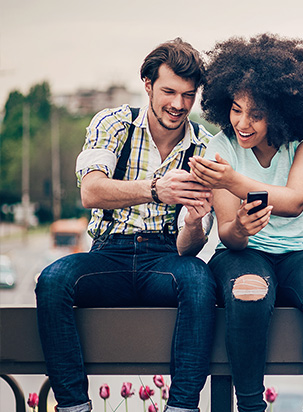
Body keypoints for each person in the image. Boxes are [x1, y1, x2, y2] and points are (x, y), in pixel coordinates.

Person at [35, 38, 216, 412]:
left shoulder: (204, 146)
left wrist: (197, 224)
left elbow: (187, 247)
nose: (178, 105)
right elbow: (91, 190)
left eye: (188, 95)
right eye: (169, 91)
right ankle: (73, 406)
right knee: (52, 281)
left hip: (163, 259)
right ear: (147, 85)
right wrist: (155, 189)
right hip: (107, 257)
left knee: (199, 279)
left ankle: (182, 407)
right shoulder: (114, 123)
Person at [186, 34, 303, 412]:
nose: (242, 123)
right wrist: (241, 228)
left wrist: (229, 180)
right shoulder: (221, 147)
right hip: (244, 254)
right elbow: (228, 233)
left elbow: (294, 201)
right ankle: (250, 406)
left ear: (280, 113)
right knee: (248, 291)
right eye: (236, 109)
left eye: (256, 115)